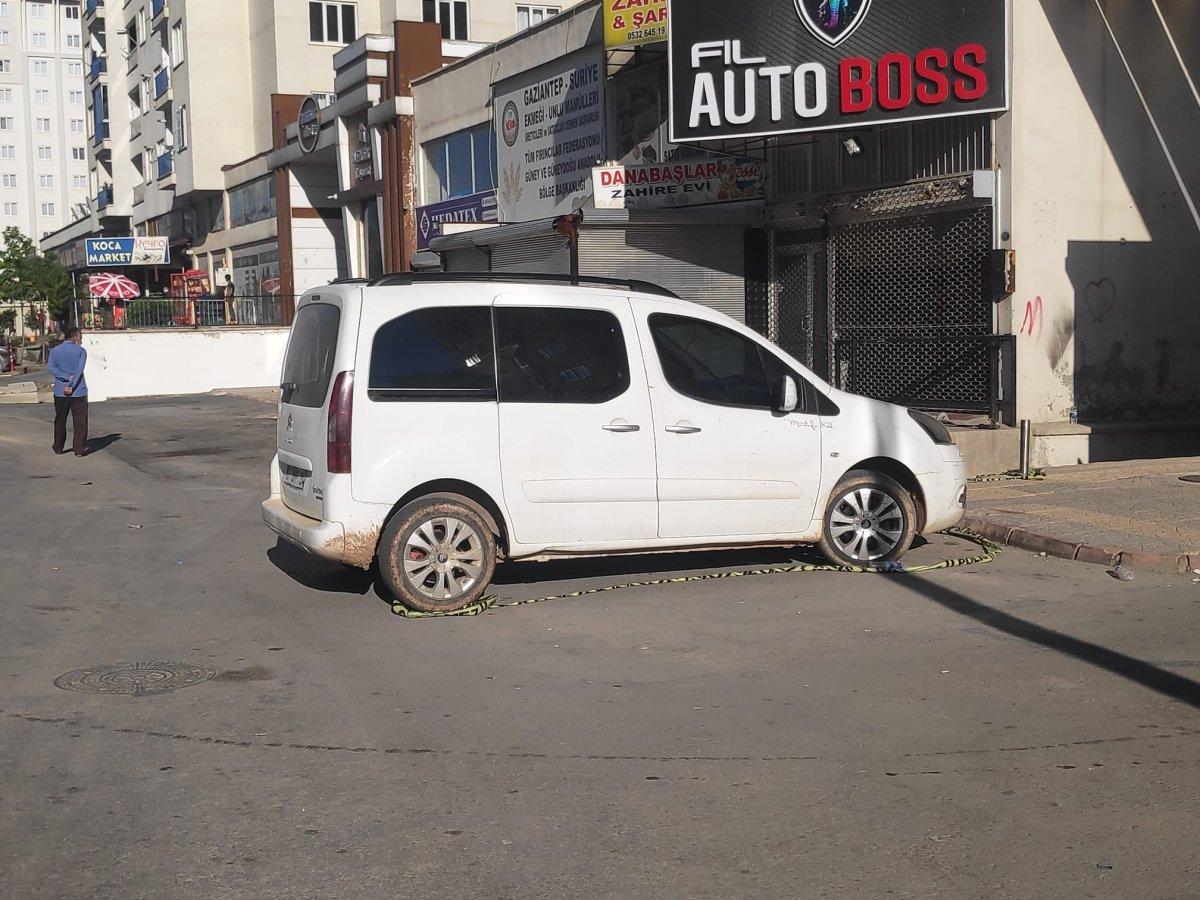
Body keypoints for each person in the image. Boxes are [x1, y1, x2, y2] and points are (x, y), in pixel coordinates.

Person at [47, 326, 88, 457]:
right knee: (80, 421)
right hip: (79, 391)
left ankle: (58, 447)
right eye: (80, 336)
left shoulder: (55, 351)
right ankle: (79, 449)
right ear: (76, 336)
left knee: (60, 419)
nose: (81, 339)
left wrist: (65, 378)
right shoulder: (81, 351)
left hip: (60, 391)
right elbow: (79, 371)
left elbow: (51, 368)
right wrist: (72, 384)